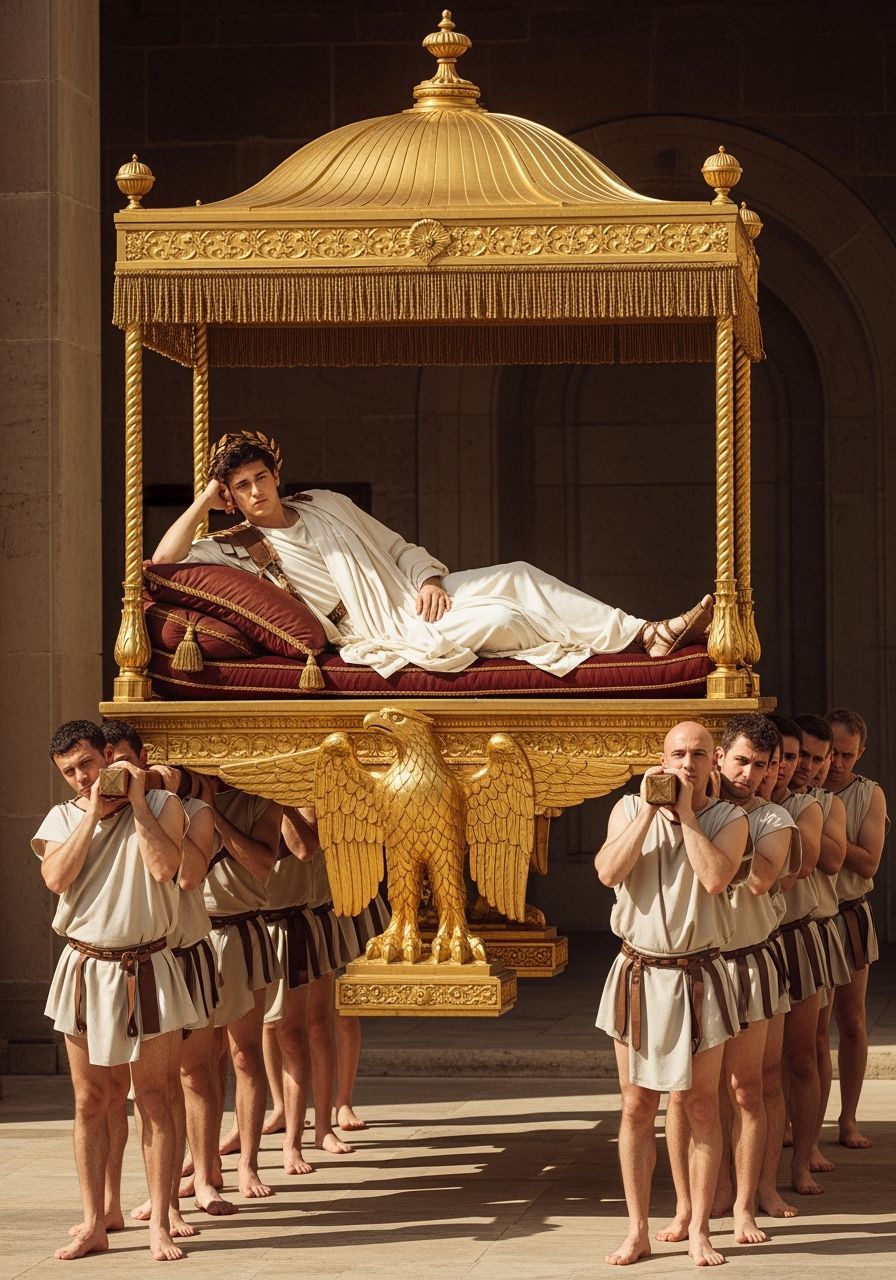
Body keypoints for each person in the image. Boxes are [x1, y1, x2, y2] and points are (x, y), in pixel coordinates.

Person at [150, 432, 713, 679]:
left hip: (412, 594)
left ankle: (646, 634)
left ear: (275, 476)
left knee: (517, 574)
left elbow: (398, 548)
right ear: (231, 496)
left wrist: (429, 579)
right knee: (501, 617)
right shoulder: (238, 549)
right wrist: (204, 498)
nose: (255, 492)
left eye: (260, 478)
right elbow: (164, 562)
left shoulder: (324, 502)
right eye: (241, 486)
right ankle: (623, 643)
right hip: (375, 628)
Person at [34, 720, 195, 1261]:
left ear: (108, 755)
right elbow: (56, 880)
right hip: (85, 969)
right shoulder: (62, 817)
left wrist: (136, 804)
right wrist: (92, 817)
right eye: (69, 772)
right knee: (90, 1101)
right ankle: (93, 1221)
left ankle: (160, 1223)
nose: (81, 778)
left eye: (87, 764)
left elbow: (165, 867)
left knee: (154, 1097)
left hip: (147, 966)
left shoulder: (161, 805)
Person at [594, 722, 747, 1268]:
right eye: (677, 754)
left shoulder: (730, 819)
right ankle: (637, 1229)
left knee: (699, 1104)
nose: (687, 763)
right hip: (638, 973)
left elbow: (713, 879)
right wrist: (648, 814)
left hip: (698, 975)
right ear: (661, 759)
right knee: (636, 1105)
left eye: (698, 755)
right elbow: (608, 871)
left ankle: (701, 1228)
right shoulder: (626, 811)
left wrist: (684, 816)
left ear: (714, 763)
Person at [659, 715, 794, 1249]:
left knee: (746, 1089)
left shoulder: (773, 819)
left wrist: (716, 819)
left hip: (746, 962)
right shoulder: (681, 810)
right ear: (719, 758)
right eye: (740, 760)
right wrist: (694, 810)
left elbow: (758, 880)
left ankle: (742, 1206)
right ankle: (687, 1207)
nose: (750, 773)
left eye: (762, 765)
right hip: (690, 964)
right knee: (682, 1094)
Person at [100, 722, 237, 1227]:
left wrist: (157, 801)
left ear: (146, 757)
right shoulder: (97, 816)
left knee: (195, 1074)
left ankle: (203, 1174)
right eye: (107, 758)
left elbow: (185, 876)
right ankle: (161, 1201)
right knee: (140, 1091)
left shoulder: (195, 811)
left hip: (184, 952)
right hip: (135, 959)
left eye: (123, 758)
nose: (115, 769)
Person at [178, 769, 282, 1199]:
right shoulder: (173, 800)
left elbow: (261, 863)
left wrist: (213, 814)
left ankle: (248, 1162)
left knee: (244, 1054)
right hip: (195, 937)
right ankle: (206, 1168)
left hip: (242, 934)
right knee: (200, 1063)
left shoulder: (263, 799)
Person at [765, 714, 827, 1197]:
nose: (786, 766)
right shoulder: (733, 805)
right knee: (752, 1072)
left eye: (792, 756)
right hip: (746, 946)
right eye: (779, 757)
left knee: (801, 1057)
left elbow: (797, 869)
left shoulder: (805, 807)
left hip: (795, 936)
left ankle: (802, 1161)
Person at [825, 708, 889, 1150]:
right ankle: (799, 1121)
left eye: (847, 755)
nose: (837, 763)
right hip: (805, 918)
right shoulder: (797, 784)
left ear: (860, 753)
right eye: (831, 753)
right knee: (802, 1030)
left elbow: (868, 862)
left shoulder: (869, 795)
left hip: (849, 912)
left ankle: (848, 1119)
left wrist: (823, 835)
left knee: (851, 1020)